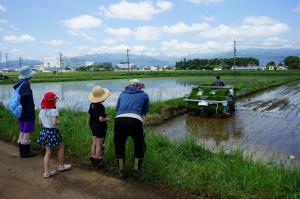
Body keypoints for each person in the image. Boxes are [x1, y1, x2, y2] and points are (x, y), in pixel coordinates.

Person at [114, 79, 149, 178]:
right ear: (138, 86)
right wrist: (142, 128)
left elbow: (117, 109)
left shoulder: (122, 94)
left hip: (119, 120)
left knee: (119, 145)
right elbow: (143, 114)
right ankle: (136, 170)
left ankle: (121, 170)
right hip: (135, 120)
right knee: (139, 145)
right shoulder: (144, 95)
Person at [37, 91, 71, 178]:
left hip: (45, 131)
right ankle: (61, 166)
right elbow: (54, 122)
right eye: (55, 100)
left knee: (48, 151)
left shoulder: (41, 111)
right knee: (61, 147)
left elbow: (40, 123)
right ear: (52, 101)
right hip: (53, 132)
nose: (56, 101)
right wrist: (59, 121)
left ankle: (46, 172)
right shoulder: (54, 110)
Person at [13, 66, 37, 158]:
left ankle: (22, 151)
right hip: (27, 112)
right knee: (27, 131)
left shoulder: (19, 83)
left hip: (20, 112)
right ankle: (25, 153)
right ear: (29, 75)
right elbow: (25, 97)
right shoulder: (26, 84)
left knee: (22, 130)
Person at [88, 86, 110, 169]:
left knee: (94, 143)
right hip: (99, 127)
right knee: (99, 145)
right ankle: (98, 161)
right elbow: (100, 119)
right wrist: (107, 119)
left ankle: (93, 158)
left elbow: (91, 115)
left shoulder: (92, 105)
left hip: (93, 126)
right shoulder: (101, 107)